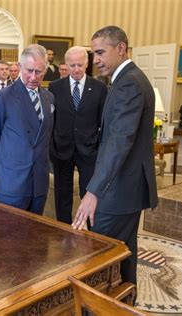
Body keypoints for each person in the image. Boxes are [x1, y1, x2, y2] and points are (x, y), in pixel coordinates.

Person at [72, 26, 158, 287]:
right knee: (124, 252)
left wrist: (93, 192)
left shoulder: (129, 83)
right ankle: (126, 302)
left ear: (121, 48)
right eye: (93, 53)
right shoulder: (128, 79)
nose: (95, 60)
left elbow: (119, 142)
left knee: (98, 255)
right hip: (129, 188)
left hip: (119, 190)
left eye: (100, 52)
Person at [0, 44, 54, 214]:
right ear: (20, 66)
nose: (33, 77)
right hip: (12, 181)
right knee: (9, 237)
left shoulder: (49, 98)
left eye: (39, 72)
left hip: (39, 181)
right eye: (29, 70)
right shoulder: (3, 97)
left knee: (35, 236)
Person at [48, 46, 107, 225]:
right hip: (62, 150)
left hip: (89, 151)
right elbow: (52, 120)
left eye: (80, 65)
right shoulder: (55, 87)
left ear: (87, 64)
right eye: (72, 65)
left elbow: (102, 122)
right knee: (62, 194)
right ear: (65, 65)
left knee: (88, 193)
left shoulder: (99, 88)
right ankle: (63, 229)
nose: (76, 69)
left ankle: (90, 229)